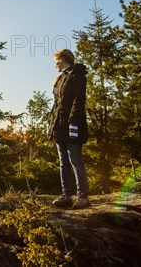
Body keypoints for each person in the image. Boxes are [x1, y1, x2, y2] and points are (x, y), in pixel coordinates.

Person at [48, 49, 91, 209]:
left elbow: (78, 101)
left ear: (63, 59)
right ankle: (66, 195)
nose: (55, 65)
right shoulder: (60, 78)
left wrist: (73, 124)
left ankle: (83, 197)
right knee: (63, 162)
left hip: (72, 124)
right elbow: (56, 105)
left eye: (56, 61)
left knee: (75, 160)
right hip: (59, 125)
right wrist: (51, 124)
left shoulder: (77, 76)